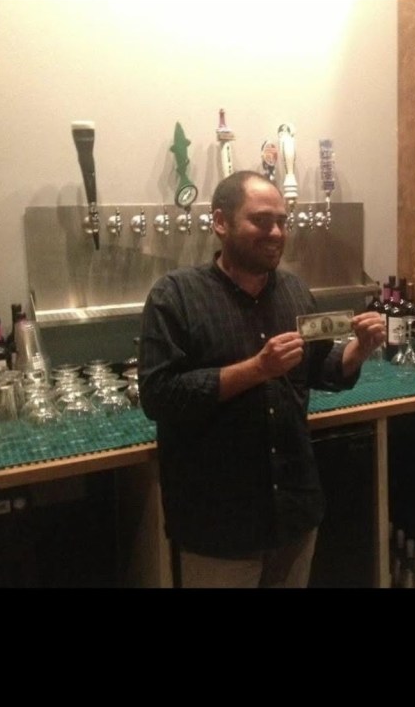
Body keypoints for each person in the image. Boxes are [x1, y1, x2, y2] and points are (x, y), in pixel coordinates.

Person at [138, 170, 385, 588]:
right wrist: (258, 369)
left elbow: (320, 369)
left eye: (282, 221)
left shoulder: (294, 291)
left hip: (294, 512)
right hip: (219, 524)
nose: (275, 232)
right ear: (220, 222)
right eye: (261, 220)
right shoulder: (175, 296)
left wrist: (359, 349)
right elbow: (159, 397)